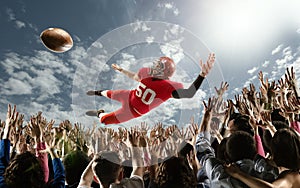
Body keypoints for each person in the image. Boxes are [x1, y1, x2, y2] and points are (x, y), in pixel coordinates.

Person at [86, 53, 215, 125]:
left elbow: (189, 93)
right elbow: (135, 76)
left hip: (133, 111)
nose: (155, 66)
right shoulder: (146, 72)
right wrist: (121, 70)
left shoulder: (168, 87)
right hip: (130, 95)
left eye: (159, 66)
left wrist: (202, 75)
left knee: (105, 120)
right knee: (110, 93)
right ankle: (98, 92)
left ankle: (99, 113)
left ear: (165, 71)